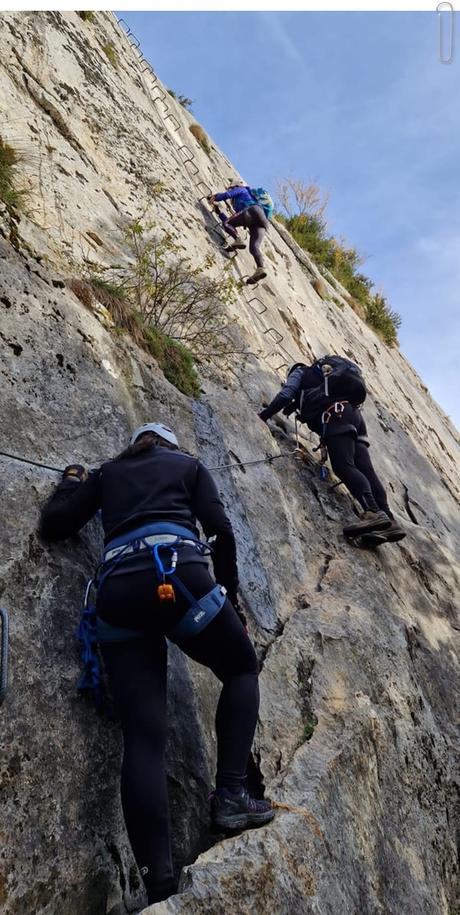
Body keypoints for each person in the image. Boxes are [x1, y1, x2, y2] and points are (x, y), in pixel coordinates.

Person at [40, 422, 274, 906]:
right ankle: (231, 794)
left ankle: (159, 886)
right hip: (180, 578)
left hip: (120, 590)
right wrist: (229, 598)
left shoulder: (106, 475)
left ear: (136, 444)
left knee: (144, 738)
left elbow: (56, 524)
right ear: (168, 444)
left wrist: (71, 483)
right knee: (240, 668)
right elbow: (221, 532)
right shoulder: (189, 466)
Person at [258, 358, 406, 542]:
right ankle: (390, 523)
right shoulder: (326, 378)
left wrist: (263, 416)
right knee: (366, 470)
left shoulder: (300, 372)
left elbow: (286, 395)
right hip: (354, 416)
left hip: (335, 414)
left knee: (343, 466)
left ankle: (373, 513)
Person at [208, 183, 270, 285]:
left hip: (252, 211)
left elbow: (227, 195)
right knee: (254, 247)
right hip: (261, 221)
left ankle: (237, 239)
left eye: (231, 188)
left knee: (227, 223)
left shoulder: (242, 189)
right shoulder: (245, 201)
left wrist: (215, 197)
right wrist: (219, 212)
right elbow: (233, 220)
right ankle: (260, 268)